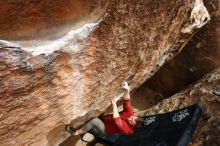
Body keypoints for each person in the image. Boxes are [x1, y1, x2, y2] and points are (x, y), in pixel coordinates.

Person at [66, 82, 143, 143]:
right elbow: (127, 101)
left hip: (105, 128)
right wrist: (127, 90)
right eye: (133, 117)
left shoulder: (128, 130)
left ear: (133, 125)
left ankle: (76, 132)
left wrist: (114, 105)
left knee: (94, 120)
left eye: (132, 121)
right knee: (97, 116)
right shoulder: (131, 115)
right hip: (106, 119)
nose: (130, 118)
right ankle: (90, 128)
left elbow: (117, 121)